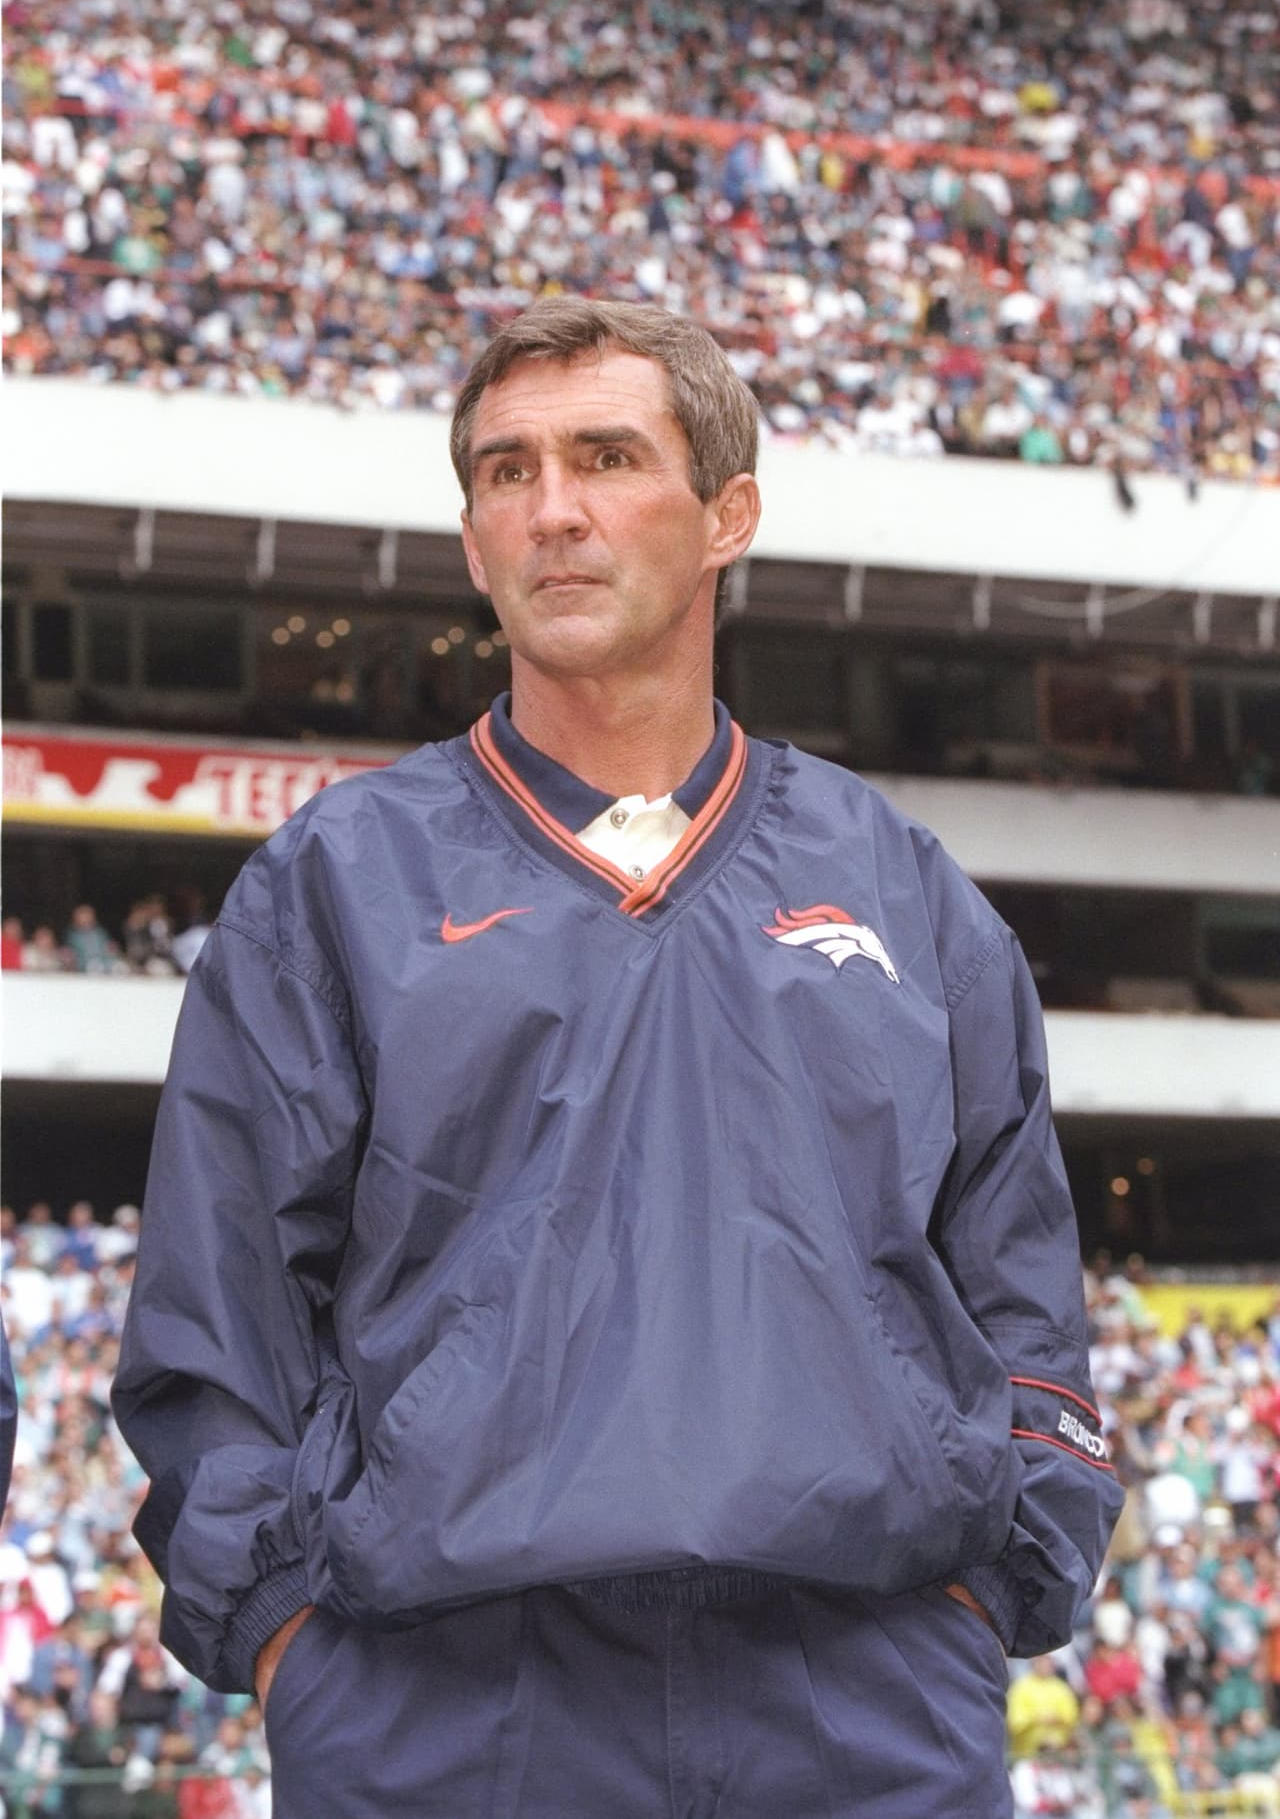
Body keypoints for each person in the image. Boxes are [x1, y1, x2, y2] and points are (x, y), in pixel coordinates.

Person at [113, 298, 1123, 1817]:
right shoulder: (333, 886)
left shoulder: (902, 886)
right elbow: (217, 1328)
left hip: (864, 1699)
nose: (554, 511)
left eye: (604, 456)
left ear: (728, 515)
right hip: (445, 1712)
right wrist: (291, 1650)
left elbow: (1021, 1288)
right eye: (506, 473)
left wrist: (993, 1597)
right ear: (470, 541)